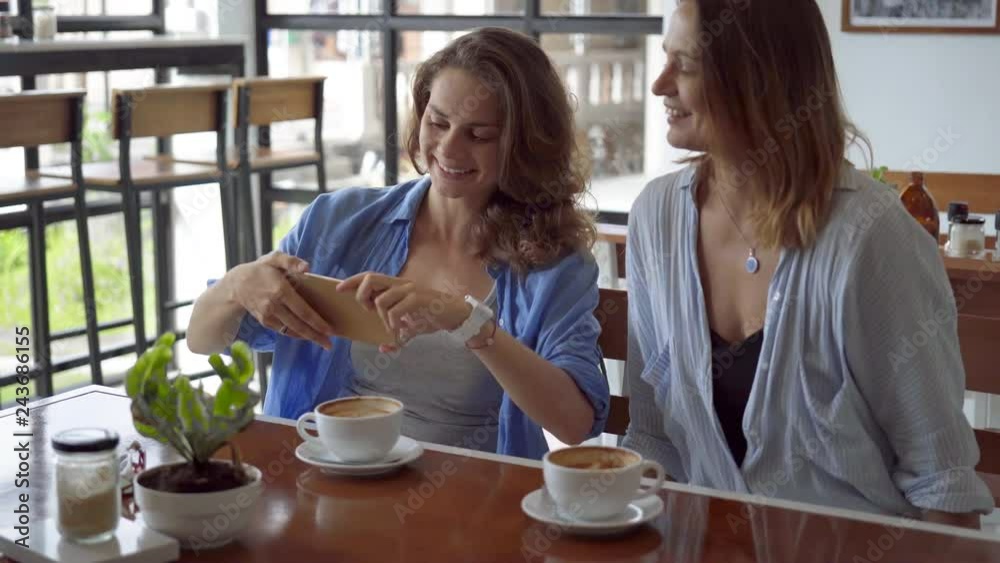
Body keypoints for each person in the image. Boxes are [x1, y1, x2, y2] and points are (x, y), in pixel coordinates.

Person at [622, 0, 992, 526]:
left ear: (758, 80)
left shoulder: (872, 236)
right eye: (666, 60)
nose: (660, 84)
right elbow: (653, 438)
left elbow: (942, 484)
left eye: (685, 65)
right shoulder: (654, 217)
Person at [186, 27, 609, 459]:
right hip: (328, 478)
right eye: (438, 122)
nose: (449, 148)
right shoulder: (338, 221)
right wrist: (236, 285)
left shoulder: (554, 263)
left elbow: (574, 424)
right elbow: (201, 339)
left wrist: (468, 323)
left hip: (472, 491)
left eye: (479, 135)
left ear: (525, 145)